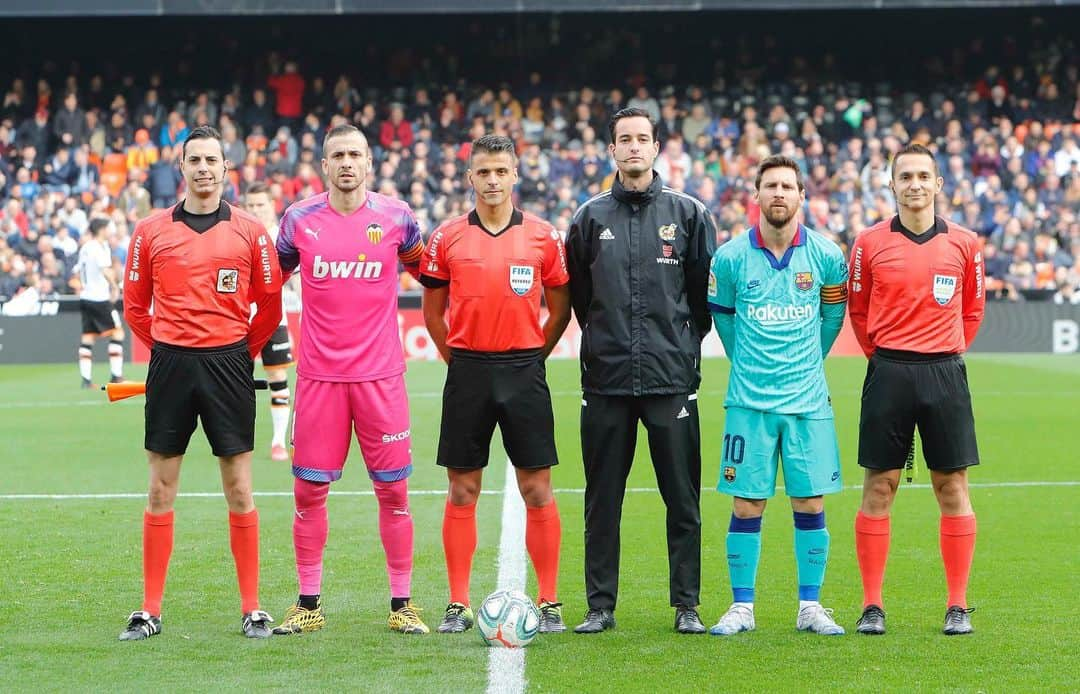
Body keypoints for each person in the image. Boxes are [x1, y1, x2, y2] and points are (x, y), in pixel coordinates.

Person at [120, 125, 283, 640]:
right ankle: (149, 610)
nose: (204, 168)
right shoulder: (150, 231)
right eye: (195, 160)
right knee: (160, 486)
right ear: (182, 167)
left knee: (239, 486)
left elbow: (271, 304)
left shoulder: (252, 231)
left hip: (228, 365)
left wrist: (239, 353)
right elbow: (133, 306)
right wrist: (169, 345)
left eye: (213, 160)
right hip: (170, 365)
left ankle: (252, 607)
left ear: (225, 168)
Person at [272, 124, 429, 636]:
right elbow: (271, 278)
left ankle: (402, 604)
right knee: (307, 494)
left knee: (395, 493)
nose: (346, 163)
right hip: (319, 379)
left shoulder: (397, 218)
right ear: (323, 165)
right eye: (336, 154)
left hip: (381, 378)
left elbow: (427, 274)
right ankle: (308, 603)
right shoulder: (298, 221)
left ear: (369, 163)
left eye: (354, 154)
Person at [565, 107, 716, 635]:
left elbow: (701, 300)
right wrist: (608, 343)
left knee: (683, 498)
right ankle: (600, 605)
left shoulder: (690, 214)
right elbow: (583, 303)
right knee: (602, 499)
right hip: (605, 380)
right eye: (624, 140)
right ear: (612, 150)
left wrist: (677, 346)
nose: (633, 148)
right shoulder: (588, 219)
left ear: (656, 149)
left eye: (642, 139)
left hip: (670, 378)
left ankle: (687, 604)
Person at [420, 134, 572, 635]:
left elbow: (560, 307)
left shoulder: (543, 236)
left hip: (524, 369)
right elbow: (433, 312)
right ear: (470, 178)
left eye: (500, 171)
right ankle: (457, 603)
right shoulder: (447, 238)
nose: (491, 180)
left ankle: (549, 600)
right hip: (468, 370)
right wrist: (456, 359)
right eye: (482, 172)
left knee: (537, 487)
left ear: (514, 175)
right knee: (463, 488)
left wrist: (533, 355)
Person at [706, 155, 848, 637]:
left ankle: (810, 606)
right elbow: (724, 321)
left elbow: (831, 321)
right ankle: (742, 607)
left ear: (801, 196)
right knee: (747, 504)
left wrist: (809, 362)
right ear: (757, 196)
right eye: (771, 186)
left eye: (788, 186)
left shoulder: (827, 255)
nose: (779, 194)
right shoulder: (728, 259)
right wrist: (749, 362)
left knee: (810, 503)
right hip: (749, 404)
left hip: (809, 403)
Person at [847, 143, 985, 636]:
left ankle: (958, 605)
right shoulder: (868, 243)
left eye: (924, 175)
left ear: (938, 184)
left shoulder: (966, 243)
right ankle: (871, 605)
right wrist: (888, 358)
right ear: (892, 184)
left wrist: (942, 352)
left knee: (952, 486)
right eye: (905, 176)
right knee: (879, 486)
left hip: (945, 373)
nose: (915, 184)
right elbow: (859, 312)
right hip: (889, 372)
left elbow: (972, 310)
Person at [243, 181, 294, 461]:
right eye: (250, 205)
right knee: (237, 381)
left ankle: (278, 441)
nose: (255, 210)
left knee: (277, 376)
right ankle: (240, 440)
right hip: (240, 321)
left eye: (260, 204)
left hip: (274, 320)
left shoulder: (281, 238)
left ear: (271, 206)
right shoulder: (237, 235)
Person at [72, 217, 125, 388]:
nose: (111, 230)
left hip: (86, 297)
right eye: (108, 227)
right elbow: (105, 270)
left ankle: (86, 380)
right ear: (102, 230)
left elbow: (78, 270)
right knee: (118, 333)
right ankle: (116, 376)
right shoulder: (99, 247)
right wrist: (115, 287)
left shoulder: (86, 247)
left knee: (88, 337)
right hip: (99, 298)